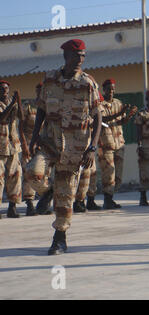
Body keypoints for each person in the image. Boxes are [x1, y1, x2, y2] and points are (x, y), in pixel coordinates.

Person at [25, 39, 102, 255]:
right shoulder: (50, 79)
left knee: (66, 197)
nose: (80, 59)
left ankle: (59, 239)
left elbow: (97, 117)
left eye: (83, 55)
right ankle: (48, 191)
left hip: (75, 149)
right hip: (49, 142)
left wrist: (93, 148)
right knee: (32, 172)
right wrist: (33, 137)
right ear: (65, 56)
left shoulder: (88, 83)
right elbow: (40, 109)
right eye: (76, 55)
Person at [97, 79, 137, 209]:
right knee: (108, 173)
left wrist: (128, 116)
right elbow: (103, 120)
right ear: (104, 90)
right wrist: (119, 113)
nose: (111, 91)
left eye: (113, 89)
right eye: (109, 89)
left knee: (118, 174)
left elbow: (120, 122)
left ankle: (111, 198)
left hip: (119, 142)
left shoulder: (118, 103)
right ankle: (107, 200)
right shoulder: (100, 104)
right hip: (106, 144)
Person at [0, 81, 28, 219]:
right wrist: (12, 104)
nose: (4, 91)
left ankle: (12, 206)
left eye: (6, 89)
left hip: (13, 145)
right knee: (0, 179)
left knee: (16, 176)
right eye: (2, 89)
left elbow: (22, 118)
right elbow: (2, 118)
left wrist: (19, 101)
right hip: (0, 146)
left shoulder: (13, 102)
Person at [21, 83, 44, 216]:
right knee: (28, 173)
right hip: (30, 143)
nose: (41, 92)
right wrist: (24, 144)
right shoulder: (28, 106)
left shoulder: (49, 106)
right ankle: (29, 203)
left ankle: (42, 202)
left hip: (44, 144)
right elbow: (21, 127)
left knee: (43, 174)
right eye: (39, 90)